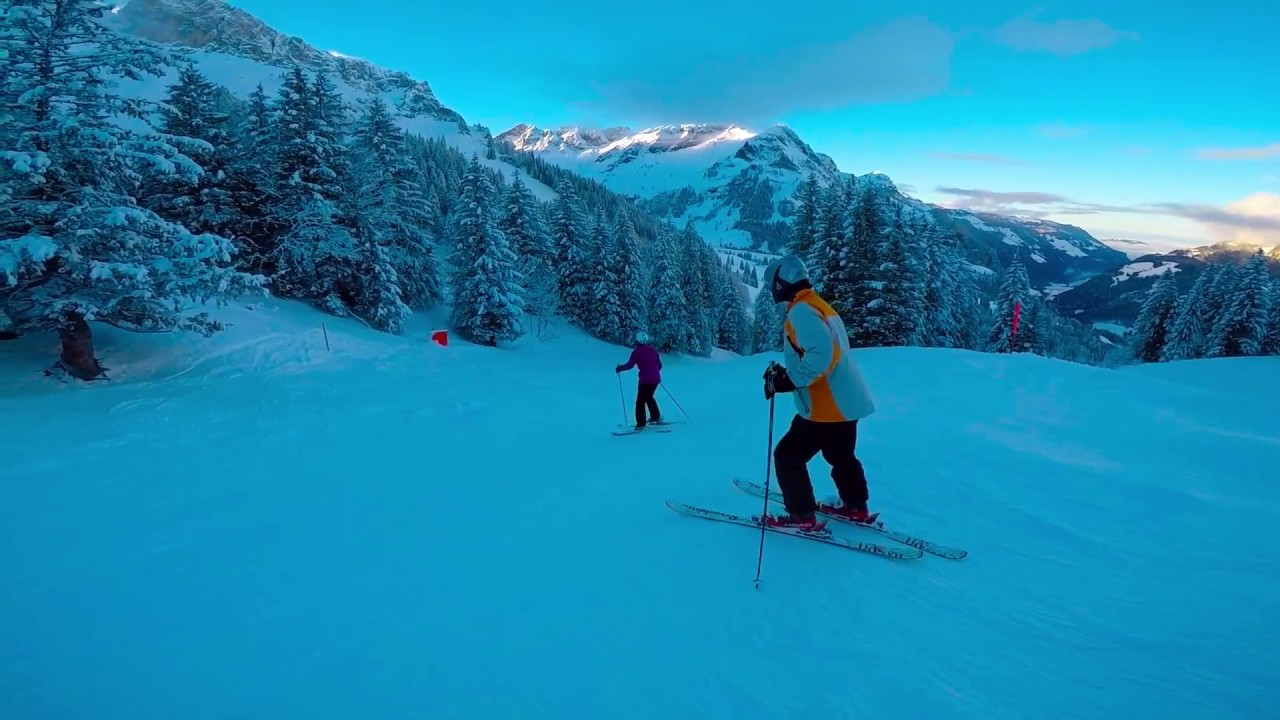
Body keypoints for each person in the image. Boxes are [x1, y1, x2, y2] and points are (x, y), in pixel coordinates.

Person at [759, 255, 878, 531]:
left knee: (788, 456)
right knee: (840, 455)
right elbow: (824, 351)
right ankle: (855, 507)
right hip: (847, 401)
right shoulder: (818, 305)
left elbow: (822, 353)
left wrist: (790, 380)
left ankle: (801, 515)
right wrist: (786, 372)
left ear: (781, 282)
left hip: (827, 407)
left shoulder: (800, 311)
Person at [615, 331, 664, 430]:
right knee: (649, 397)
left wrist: (620, 368)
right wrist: (653, 372)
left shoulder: (636, 352)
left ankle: (641, 424)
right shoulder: (653, 351)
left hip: (645, 380)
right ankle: (656, 417)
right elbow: (660, 366)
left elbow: (629, 365)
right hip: (655, 379)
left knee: (640, 401)